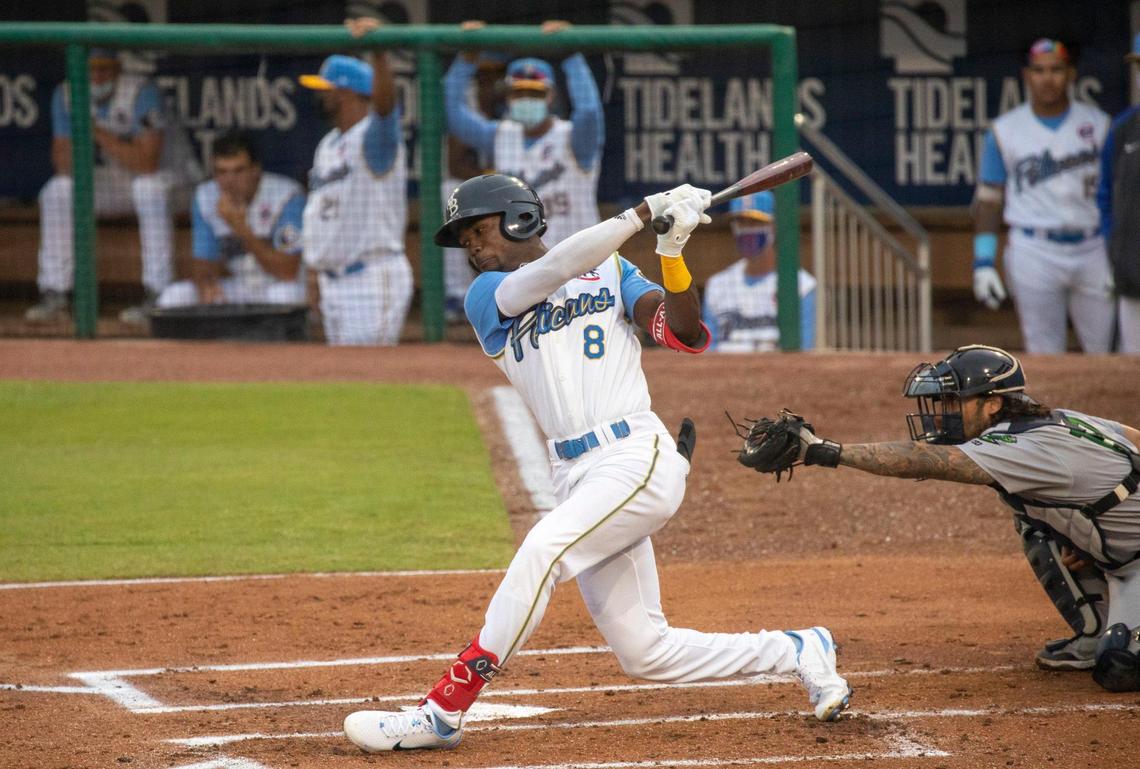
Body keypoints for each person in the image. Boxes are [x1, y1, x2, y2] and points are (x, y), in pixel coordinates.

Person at [341, 174, 853, 752]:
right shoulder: (487, 296)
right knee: (646, 653)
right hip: (577, 475)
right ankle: (800, 648)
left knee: (544, 549)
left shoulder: (613, 271)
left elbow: (682, 333)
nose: (473, 249)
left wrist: (672, 252)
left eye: (479, 231)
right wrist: (640, 213)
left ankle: (442, 710)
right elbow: (554, 269)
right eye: (465, 241)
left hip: (634, 454)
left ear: (519, 219)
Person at [738, 344, 1140, 692]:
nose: (941, 414)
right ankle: (1093, 629)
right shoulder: (1053, 421)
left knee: (1119, 668)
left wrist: (824, 451)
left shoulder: (1024, 449)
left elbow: (927, 462)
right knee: (1036, 522)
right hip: (1124, 561)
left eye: (953, 403)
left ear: (993, 403)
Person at [26, 48, 192, 325]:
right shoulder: (67, 94)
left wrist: (95, 130)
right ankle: (55, 292)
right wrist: (78, 126)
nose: (97, 76)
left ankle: (158, 293)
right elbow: (64, 165)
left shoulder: (142, 92)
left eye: (104, 68)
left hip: (176, 181)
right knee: (58, 190)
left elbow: (146, 163)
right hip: (120, 181)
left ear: (118, 69)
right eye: (90, 69)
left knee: (148, 188)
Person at [972, 38, 1114, 354]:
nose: (1047, 78)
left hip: (1093, 247)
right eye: (1038, 70)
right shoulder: (1005, 130)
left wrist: (1119, 253)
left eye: (1056, 70)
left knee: (1103, 352)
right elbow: (989, 199)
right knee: (1042, 351)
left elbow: (1117, 196)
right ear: (1026, 75)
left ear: (1071, 74)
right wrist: (983, 261)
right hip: (1033, 248)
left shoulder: (1100, 125)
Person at [299, 18, 411, 346]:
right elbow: (318, 215)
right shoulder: (329, 143)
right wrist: (313, 271)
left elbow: (387, 110)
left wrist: (378, 55)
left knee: (369, 377)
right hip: (333, 279)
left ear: (346, 92)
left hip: (371, 276)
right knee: (346, 383)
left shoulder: (374, 140)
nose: (321, 96)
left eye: (326, 89)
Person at [444, 20, 604, 250]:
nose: (526, 99)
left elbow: (589, 109)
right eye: (519, 93)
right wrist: (467, 59)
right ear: (508, 98)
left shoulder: (576, 137)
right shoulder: (500, 135)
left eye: (535, 93)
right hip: (527, 264)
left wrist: (571, 56)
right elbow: (454, 114)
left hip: (579, 258)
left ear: (551, 97)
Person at [155, 131, 305, 309]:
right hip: (241, 286)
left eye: (238, 171)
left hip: (283, 285)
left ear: (255, 170)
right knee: (175, 296)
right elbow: (203, 266)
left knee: (284, 296)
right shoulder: (206, 197)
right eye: (222, 172)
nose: (229, 181)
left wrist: (239, 227)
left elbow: (287, 271)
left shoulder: (286, 195)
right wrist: (207, 284)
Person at [701, 191, 816, 352]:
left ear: (774, 227)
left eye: (755, 223)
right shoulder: (717, 285)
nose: (747, 230)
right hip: (725, 374)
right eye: (741, 223)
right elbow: (709, 350)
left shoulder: (802, 285)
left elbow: (805, 349)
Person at [442, 48, 508, 322]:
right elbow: (456, 163)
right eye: (484, 75)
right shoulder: (483, 117)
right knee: (451, 193)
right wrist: (492, 180)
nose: (490, 83)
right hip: (495, 194)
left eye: (495, 76)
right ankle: (457, 292)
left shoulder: (514, 108)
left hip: (529, 203)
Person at [1097, 33, 1140, 355]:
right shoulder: (1124, 128)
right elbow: (1105, 196)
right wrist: (1116, 251)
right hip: (1133, 271)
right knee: (1132, 368)